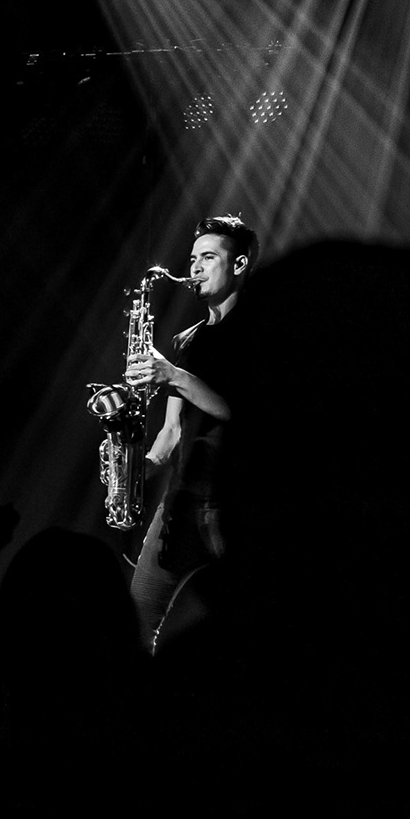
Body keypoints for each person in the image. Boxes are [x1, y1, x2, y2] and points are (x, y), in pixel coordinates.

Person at [124, 213, 256, 648]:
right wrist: (135, 471)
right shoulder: (186, 341)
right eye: (193, 258)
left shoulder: (261, 332)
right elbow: (171, 431)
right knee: (136, 624)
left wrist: (175, 376)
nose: (194, 267)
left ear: (239, 264)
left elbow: (242, 412)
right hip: (181, 502)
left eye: (208, 257)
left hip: (236, 504)